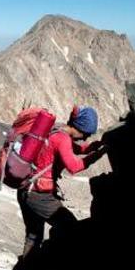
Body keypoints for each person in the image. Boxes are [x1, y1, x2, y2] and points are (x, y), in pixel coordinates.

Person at [16, 105, 108, 258]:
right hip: (40, 196)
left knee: (33, 236)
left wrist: (95, 146)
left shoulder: (55, 129)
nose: (85, 138)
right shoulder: (62, 139)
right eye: (85, 134)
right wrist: (98, 155)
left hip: (25, 189)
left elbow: (77, 149)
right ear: (79, 128)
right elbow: (74, 166)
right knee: (70, 227)